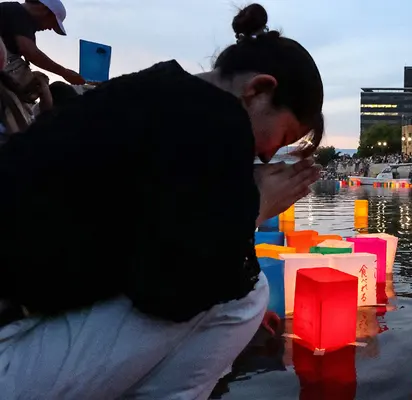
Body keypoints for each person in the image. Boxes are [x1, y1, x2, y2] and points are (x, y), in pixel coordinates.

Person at [0, 4, 322, 399]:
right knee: (244, 296)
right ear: (258, 90)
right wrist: (252, 211)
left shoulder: (156, 92)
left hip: (26, 317)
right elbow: (169, 294)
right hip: (10, 353)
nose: (271, 156)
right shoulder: (219, 120)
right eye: (284, 137)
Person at [0, 0, 85, 85]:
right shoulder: (17, 11)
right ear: (45, 10)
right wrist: (65, 73)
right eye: (52, 22)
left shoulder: (24, 25)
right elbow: (31, 53)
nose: (50, 28)